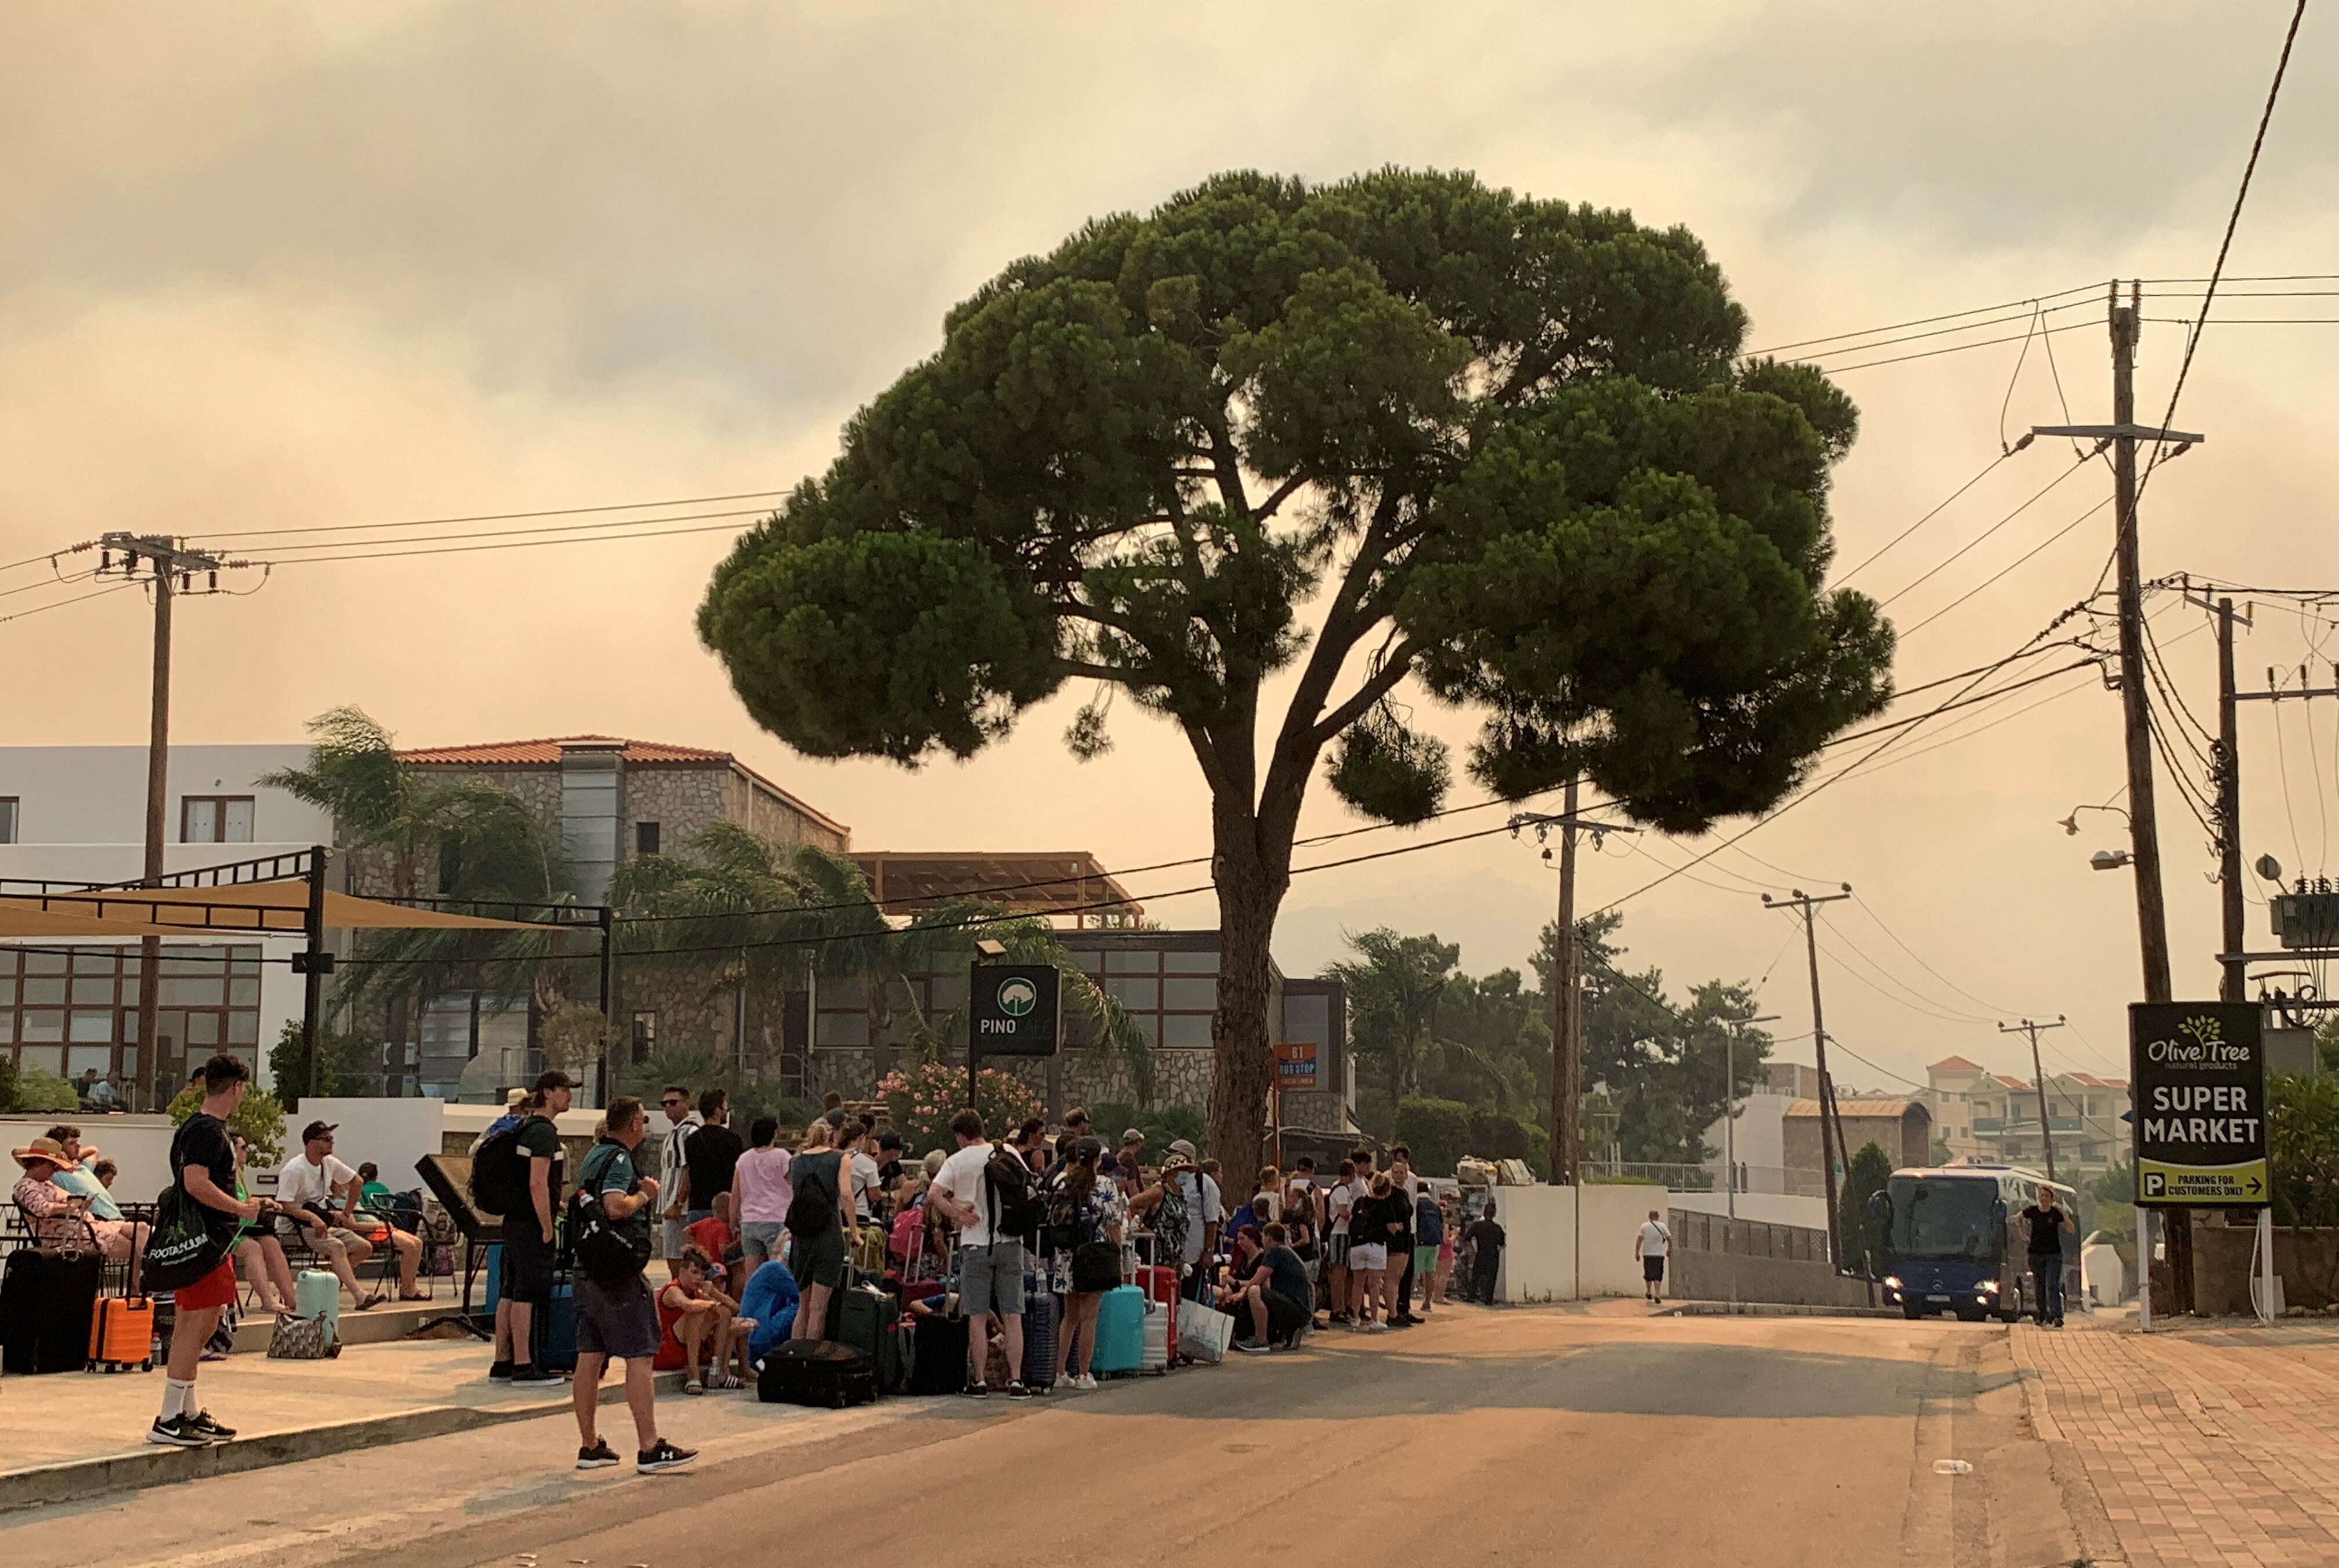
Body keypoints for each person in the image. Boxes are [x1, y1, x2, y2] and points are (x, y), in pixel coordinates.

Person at [568, 1096, 696, 1474]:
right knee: (640, 1353)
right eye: (644, 1118)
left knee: (589, 1354)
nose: (647, 1124)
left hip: (587, 1267)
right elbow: (613, 1205)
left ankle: (590, 1444)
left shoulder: (594, 1155)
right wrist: (646, 1196)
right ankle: (650, 1446)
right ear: (633, 1125)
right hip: (617, 1272)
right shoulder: (620, 1159)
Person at [150, 1053, 266, 1447]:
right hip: (203, 1242)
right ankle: (169, 1416)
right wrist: (240, 1208)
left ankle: (187, 1409)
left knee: (210, 1316)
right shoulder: (206, 1131)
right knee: (195, 1322)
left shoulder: (201, 1128)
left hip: (211, 1242)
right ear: (235, 1087)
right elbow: (195, 1182)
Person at [928, 1109, 1030, 1397]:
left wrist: (957, 1213)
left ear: (961, 1135)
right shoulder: (1007, 1151)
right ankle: (1017, 1380)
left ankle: (980, 1380)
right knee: (1013, 1314)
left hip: (975, 1244)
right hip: (1010, 1240)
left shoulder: (957, 1160)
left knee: (976, 1314)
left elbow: (934, 1195)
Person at [276, 1121, 422, 1305]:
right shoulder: (294, 1169)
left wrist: (346, 1213)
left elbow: (358, 1182)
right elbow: (285, 1205)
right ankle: (360, 1296)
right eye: (326, 1139)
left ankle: (324, 1283)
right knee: (338, 1247)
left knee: (364, 1247)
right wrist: (313, 1218)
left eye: (332, 1138)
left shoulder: (328, 1163)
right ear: (312, 1143)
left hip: (322, 1221)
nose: (332, 1142)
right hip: (296, 1225)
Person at [491, 1071, 574, 1387]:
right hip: (530, 1224)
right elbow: (538, 1183)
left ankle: (503, 1361)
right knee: (527, 1292)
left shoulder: (524, 1126)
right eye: (565, 1090)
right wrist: (547, 1226)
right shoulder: (543, 1133)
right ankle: (524, 1366)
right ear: (549, 1092)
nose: (569, 1096)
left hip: (514, 1221)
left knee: (510, 1291)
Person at [1044, 1136, 1123, 1392]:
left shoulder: (1063, 1183)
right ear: (1097, 1160)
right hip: (1093, 1256)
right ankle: (1083, 1373)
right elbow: (1114, 1223)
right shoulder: (1105, 1185)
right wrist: (1117, 1254)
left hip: (1065, 1257)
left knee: (1070, 1317)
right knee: (1089, 1318)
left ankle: (1059, 1372)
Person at [13, 1135, 146, 1287]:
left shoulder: (46, 1184)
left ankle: (145, 1284)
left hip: (86, 1227)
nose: (54, 1171)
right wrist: (72, 1207)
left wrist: (79, 1205)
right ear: (38, 1163)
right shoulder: (26, 1186)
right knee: (136, 1248)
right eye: (52, 1166)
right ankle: (143, 1288)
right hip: (70, 1234)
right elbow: (42, 1209)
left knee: (142, 1229)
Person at [784, 1121, 850, 1342]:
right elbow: (847, 1195)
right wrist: (855, 1231)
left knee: (803, 1308)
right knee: (818, 1310)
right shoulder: (840, 1158)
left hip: (801, 1236)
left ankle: (795, 1360)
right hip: (828, 1233)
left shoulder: (796, 1162)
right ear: (833, 1137)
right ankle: (811, 1365)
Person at [659, 1244, 754, 1393]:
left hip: (688, 1346)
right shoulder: (673, 1290)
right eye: (694, 1272)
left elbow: (735, 1309)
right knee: (698, 1311)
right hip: (666, 1349)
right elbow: (689, 1306)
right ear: (682, 1271)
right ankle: (693, 1374)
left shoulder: (697, 1291)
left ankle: (720, 1371)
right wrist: (713, 1303)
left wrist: (715, 1294)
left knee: (728, 1316)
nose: (699, 1278)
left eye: (702, 1275)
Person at [230, 1133, 294, 1315]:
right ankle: (267, 1300)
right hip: (229, 1228)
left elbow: (246, 1201)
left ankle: (291, 1300)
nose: (247, 1151)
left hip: (244, 1225)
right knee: (253, 1248)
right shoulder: (225, 1175)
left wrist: (263, 1201)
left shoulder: (238, 1174)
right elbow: (238, 1206)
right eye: (243, 1147)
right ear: (232, 1151)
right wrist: (255, 1205)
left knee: (271, 1242)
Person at [1228, 1221, 1314, 1353]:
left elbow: (1258, 1280)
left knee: (1254, 1291)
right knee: (1256, 1291)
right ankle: (1288, 1332)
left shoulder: (1274, 1252)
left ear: (1269, 1238)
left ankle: (1261, 1341)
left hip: (1295, 1308)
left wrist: (1241, 1294)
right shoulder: (1286, 1252)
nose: (1262, 1240)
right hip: (1302, 1308)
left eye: (1263, 1236)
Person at [730, 1116, 792, 1281]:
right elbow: (794, 1182)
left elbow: (735, 1194)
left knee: (754, 1277)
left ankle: (754, 1306)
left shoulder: (744, 1159)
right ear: (773, 1134)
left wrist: (732, 1223)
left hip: (749, 1222)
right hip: (776, 1219)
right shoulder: (782, 1156)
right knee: (778, 1272)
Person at [1166, 1139, 1222, 1304]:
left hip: (1194, 1253)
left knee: (1190, 1296)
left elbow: (1212, 1221)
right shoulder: (1170, 1180)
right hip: (1172, 1252)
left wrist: (1208, 1251)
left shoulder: (1205, 1183)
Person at [655, 1085, 702, 1279]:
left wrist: (678, 1203)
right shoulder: (675, 1134)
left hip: (680, 1210)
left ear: (686, 1104)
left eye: (673, 1103)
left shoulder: (686, 1133)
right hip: (673, 1208)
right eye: (665, 1103)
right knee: (676, 1258)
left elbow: (689, 1169)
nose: (668, 1107)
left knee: (677, 1259)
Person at [2021, 1185, 2074, 1328]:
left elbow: (2070, 1229)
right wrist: (2023, 1235)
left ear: (2051, 1198)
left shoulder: (2056, 1213)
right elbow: (2018, 1218)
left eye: (2046, 1196)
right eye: (2042, 1195)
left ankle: (2057, 1315)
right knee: (2040, 1285)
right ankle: (2042, 1315)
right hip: (2036, 1254)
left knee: (2052, 1284)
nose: (2043, 1198)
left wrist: (2064, 1215)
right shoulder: (2032, 1211)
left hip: (2053, 1255)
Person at [45, 1125, 123, 1220]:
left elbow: (94, 1151)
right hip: (100, 1222)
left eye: (77, 1142)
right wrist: (56, 1156)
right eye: (71, 1143)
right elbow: (22, 1154)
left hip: (117, 1219)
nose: (78, 1145)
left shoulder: (83, 1168)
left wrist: (75, 1158)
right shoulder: (53, 1174)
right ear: (58, 1148)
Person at [738, 1256, 801, 1366]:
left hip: (753, 1340)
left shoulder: (768, 1269)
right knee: (803, 1309)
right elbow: (801, 1295)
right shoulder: (775, 1269)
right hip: (759, 1335)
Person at [1385, 1146, 1419, 1326]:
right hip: (1395, 1237)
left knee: (1405, 1275)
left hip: (1408, 1232)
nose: (1398, 1174)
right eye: (1395, 1171)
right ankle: (1393, 1312)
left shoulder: (1410, 1185)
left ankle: (1403, 1309)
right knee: (1392, 1276)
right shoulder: (1386, 1183)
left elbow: (1412, 1207)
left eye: (1402, 1171)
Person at [1324, 1158, 1356, 1324]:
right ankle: (1338, 1308)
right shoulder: (1343, 1190)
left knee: (1341, 1273)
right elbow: (1343, 1212)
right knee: (1339, 1273)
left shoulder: (1336, 1187)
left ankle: (1340, 1307)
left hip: (1338, 1234)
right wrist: (1356, 1219)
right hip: (1340, 1234)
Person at [1412, 1181, 1444, 1318]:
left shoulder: (1416, 1205)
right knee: (1430, 1273)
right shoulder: (1436, 1207)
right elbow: (1441, 1225)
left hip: (1420, 1243)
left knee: (1413, 1272)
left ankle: (1404, 1302)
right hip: (1433, 1243)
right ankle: (1427, 1301)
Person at [1464, 1200, 1505, 1305]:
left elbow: (1467, 1238)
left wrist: (1472, 1250)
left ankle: (1471, 1296)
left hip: (1481, 1254)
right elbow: (1502, 1244)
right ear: (1494, 1214)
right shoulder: (1497, 1228)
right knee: (1491, 1278)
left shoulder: (1477, 1225)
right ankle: (1488, 1299)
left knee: (1476, 1276)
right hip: (1493, 1256)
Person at [1635, 1209, 1671, 1306]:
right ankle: (1658, 1294)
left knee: (1648, 1274)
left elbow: (1639, 1240)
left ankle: (1649, 1291)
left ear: (1649, 1217)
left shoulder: (1644, 1226)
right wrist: (1669, 1250)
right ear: (1658, 1216)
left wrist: (1637, 1253)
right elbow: (1669, 1239)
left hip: (1647, 1255)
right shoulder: (1663, 1226)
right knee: (1658, 1275)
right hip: (1659, 1255)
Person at [1429, 1192, 1457, 1309]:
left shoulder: (1437, 1224)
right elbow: (1447, 1240)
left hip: (1439, 1249)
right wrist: (1454, 1235)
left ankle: (1436, 1295)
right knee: (1444, 1276)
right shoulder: (1446, 1225)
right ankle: (1440, 1296)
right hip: (1446, 1251)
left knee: (1438, 1274)